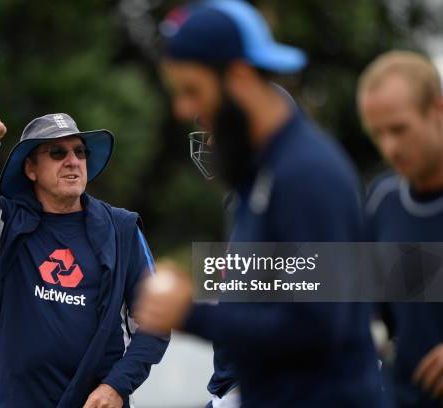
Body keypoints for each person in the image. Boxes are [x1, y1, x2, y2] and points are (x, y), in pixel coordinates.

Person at [135, 1, 386, 407]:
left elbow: (320, 326)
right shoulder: (260, 176)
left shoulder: (306, 174)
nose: (185, 110)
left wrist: (191, 314)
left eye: (193, 91)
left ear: (239, 76)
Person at [0, 92, 169, 407]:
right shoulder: (6, 225)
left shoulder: (122, 229)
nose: (73, 160)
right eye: (57, 152)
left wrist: (117, 387)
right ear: (31, 169)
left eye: (79, 151)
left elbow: (157, 322)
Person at [358, 50, 443, 407]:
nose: (389, 146)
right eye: (377, 133)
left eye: (399, 129)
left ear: (437, 110)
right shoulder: (383, 198)